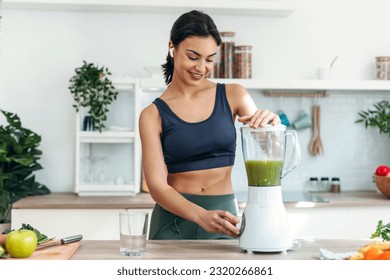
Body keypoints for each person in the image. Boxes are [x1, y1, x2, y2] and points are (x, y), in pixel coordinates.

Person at [139, 10, 280, 240]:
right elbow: (157, 186)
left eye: (209, 59)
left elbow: (269, 153)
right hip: (172, 223)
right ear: (172, 48)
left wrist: (271, 127)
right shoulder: (152, 114)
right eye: (193, 57)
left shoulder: (234, 95)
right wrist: (200, 215)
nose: (201, 67)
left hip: (224, 219)